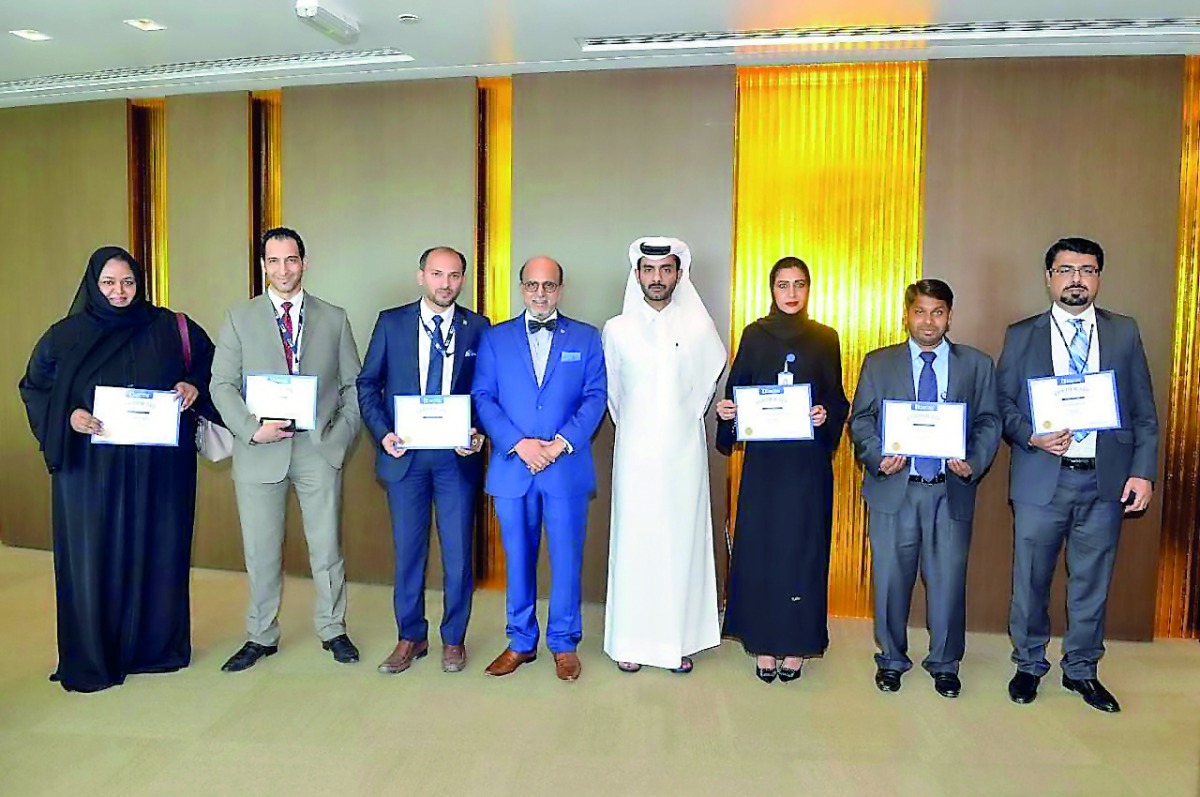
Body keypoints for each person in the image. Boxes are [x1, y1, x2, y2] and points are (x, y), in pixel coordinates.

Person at [19, 246, 218, 692]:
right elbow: (35, 388)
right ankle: (94, 653)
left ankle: (153, 650)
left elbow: (214, 367)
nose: (119, 292)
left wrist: (192, 386)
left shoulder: (168, 327)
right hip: (91, 471)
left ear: (139, 282)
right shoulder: (65, 336)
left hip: (158, 469)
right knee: (94, 557)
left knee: (158, 547)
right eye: (108, 283)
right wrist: (69, 417)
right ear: (93, 284)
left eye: (127, 282)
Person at [997, 237, 1158, 713]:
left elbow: (1144, 412)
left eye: (1086, 270)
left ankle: (1082, 670)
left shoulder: (1124, 332)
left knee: (1092, 580)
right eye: (1065, 270)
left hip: (1103, 480)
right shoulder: (1021, 334)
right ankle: (1028, 664)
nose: (1076, 279)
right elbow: (1003, 405)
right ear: (1048, 277)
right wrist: (1031, 436)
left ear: (1098, 278)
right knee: (1030, 578)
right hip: (1040, 477)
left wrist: (1143, 472)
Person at [210, 227, 363, 672]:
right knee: (260, 550)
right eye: (273, 261)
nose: (283, 270)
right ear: (263, 266)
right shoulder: (240, 317)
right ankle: (260, 635)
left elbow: (354, 385)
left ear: (305, 262)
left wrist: (339, 437)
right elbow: (220, 385)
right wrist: (249, 430)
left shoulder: (333, 318)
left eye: (291, 260)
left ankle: (333, 628)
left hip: (317, 449)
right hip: (259, 449)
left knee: (327, 547)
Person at [848, 279, 1001, 698]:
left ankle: (945, 662)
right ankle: (892, 659)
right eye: (920, 312)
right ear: (907, 315)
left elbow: (990, 420)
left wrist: (973, 459)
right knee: (891, 580)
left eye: (937, 312)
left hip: (948, 489)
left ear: (950, 316)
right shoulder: (879, 363)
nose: (928, 321)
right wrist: (878, 455)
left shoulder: (976, 365)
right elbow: (860, 419)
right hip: (894, 488)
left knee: (949, 580)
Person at [471, 256, 607, 681]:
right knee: (517, 559)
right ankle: (520, 641)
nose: (540, 293)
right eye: (532, 285)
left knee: (567, 558)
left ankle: (565, 643)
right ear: (521, 288)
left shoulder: (586, 337)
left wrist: (560, 443)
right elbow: (483, 397)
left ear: (560, 290)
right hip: (514, 467)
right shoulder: (495, 339)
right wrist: (519, 444)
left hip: (564, 466)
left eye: (548, 286)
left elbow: (595, 396)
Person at [356, 246, 490, 675]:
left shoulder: (478, 327)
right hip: (405, 458)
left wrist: (479, 431)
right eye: (437, 274)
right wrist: (383, 433)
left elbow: (488, 391)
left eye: (454, 276)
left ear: (462, 281)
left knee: (458, 554)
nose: (445, 284)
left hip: (455, 460)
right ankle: (410, 636)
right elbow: (367, 384)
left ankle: (454, 639)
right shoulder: (391, 322)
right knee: (408, 552)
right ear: (421, 277)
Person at [715, 257, 849, 683]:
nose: (791, 293)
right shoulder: (755, 335)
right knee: (763, 549)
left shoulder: (825, 338)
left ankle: (797, 642)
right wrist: (728, 413)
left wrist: (824, 413)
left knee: (803, 550)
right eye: (783, 285)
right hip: (765, 467)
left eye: (799, 285)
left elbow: (838, 398)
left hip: (807, 466)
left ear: (809, 290)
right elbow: (736, 392)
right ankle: (763, 641)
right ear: (770, 289)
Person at [602, 237, 726, 674]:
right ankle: (631, 642)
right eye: (649, 270)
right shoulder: (616, 329)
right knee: (636, 543)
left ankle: (678, 641)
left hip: (683, 455)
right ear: (637, 274)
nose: (657, 278)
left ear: (678, 274)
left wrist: (677, 423)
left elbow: (706, 384)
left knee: (680, 543)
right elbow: (615, 397)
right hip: (634, 454)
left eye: (666, 269)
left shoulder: (697, 329)